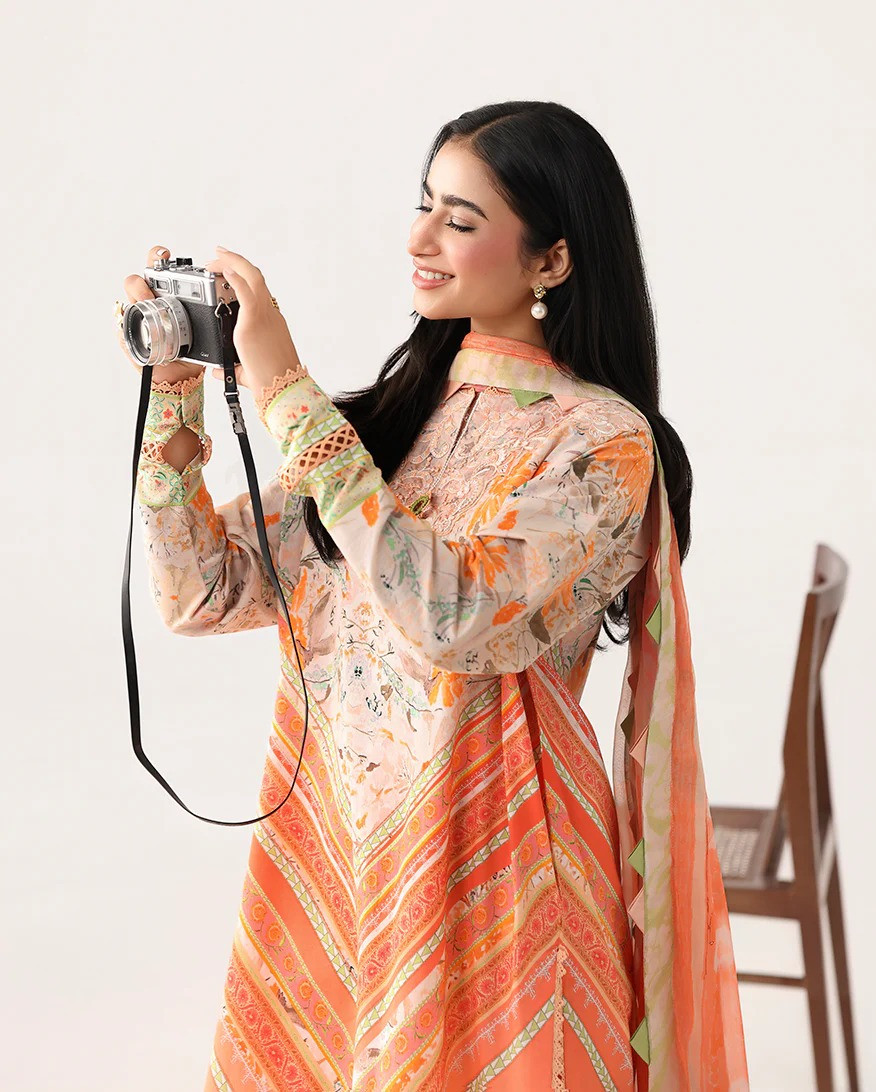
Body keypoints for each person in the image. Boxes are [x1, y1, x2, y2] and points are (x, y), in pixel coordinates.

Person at [119, 101, 750, 1091]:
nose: (419, 239)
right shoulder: (389, 425)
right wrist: (174, 391)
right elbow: (198, 591)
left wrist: (287, 391)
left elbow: (454, 621)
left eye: (459, 219)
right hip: (346, 863)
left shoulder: (601, 443)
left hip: (501, 874)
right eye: (424, 205)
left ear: (552, 261)